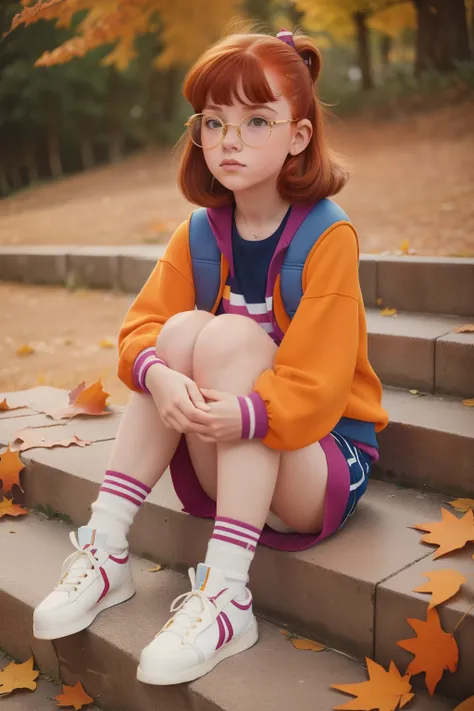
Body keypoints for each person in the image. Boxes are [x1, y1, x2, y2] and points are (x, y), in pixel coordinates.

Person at [33, 26, 388, 686]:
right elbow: (138, 330)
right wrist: (159, 378)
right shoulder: (199, 233)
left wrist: (251, 413)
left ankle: (227, 594)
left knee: (219, 335)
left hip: (322, 461)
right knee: (174, 337)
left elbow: (318, 386)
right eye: (215, 121)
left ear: (299, 137)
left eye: (257, 121)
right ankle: (107, 547)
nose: (230, 138)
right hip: (233, 455)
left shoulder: (326, 235)